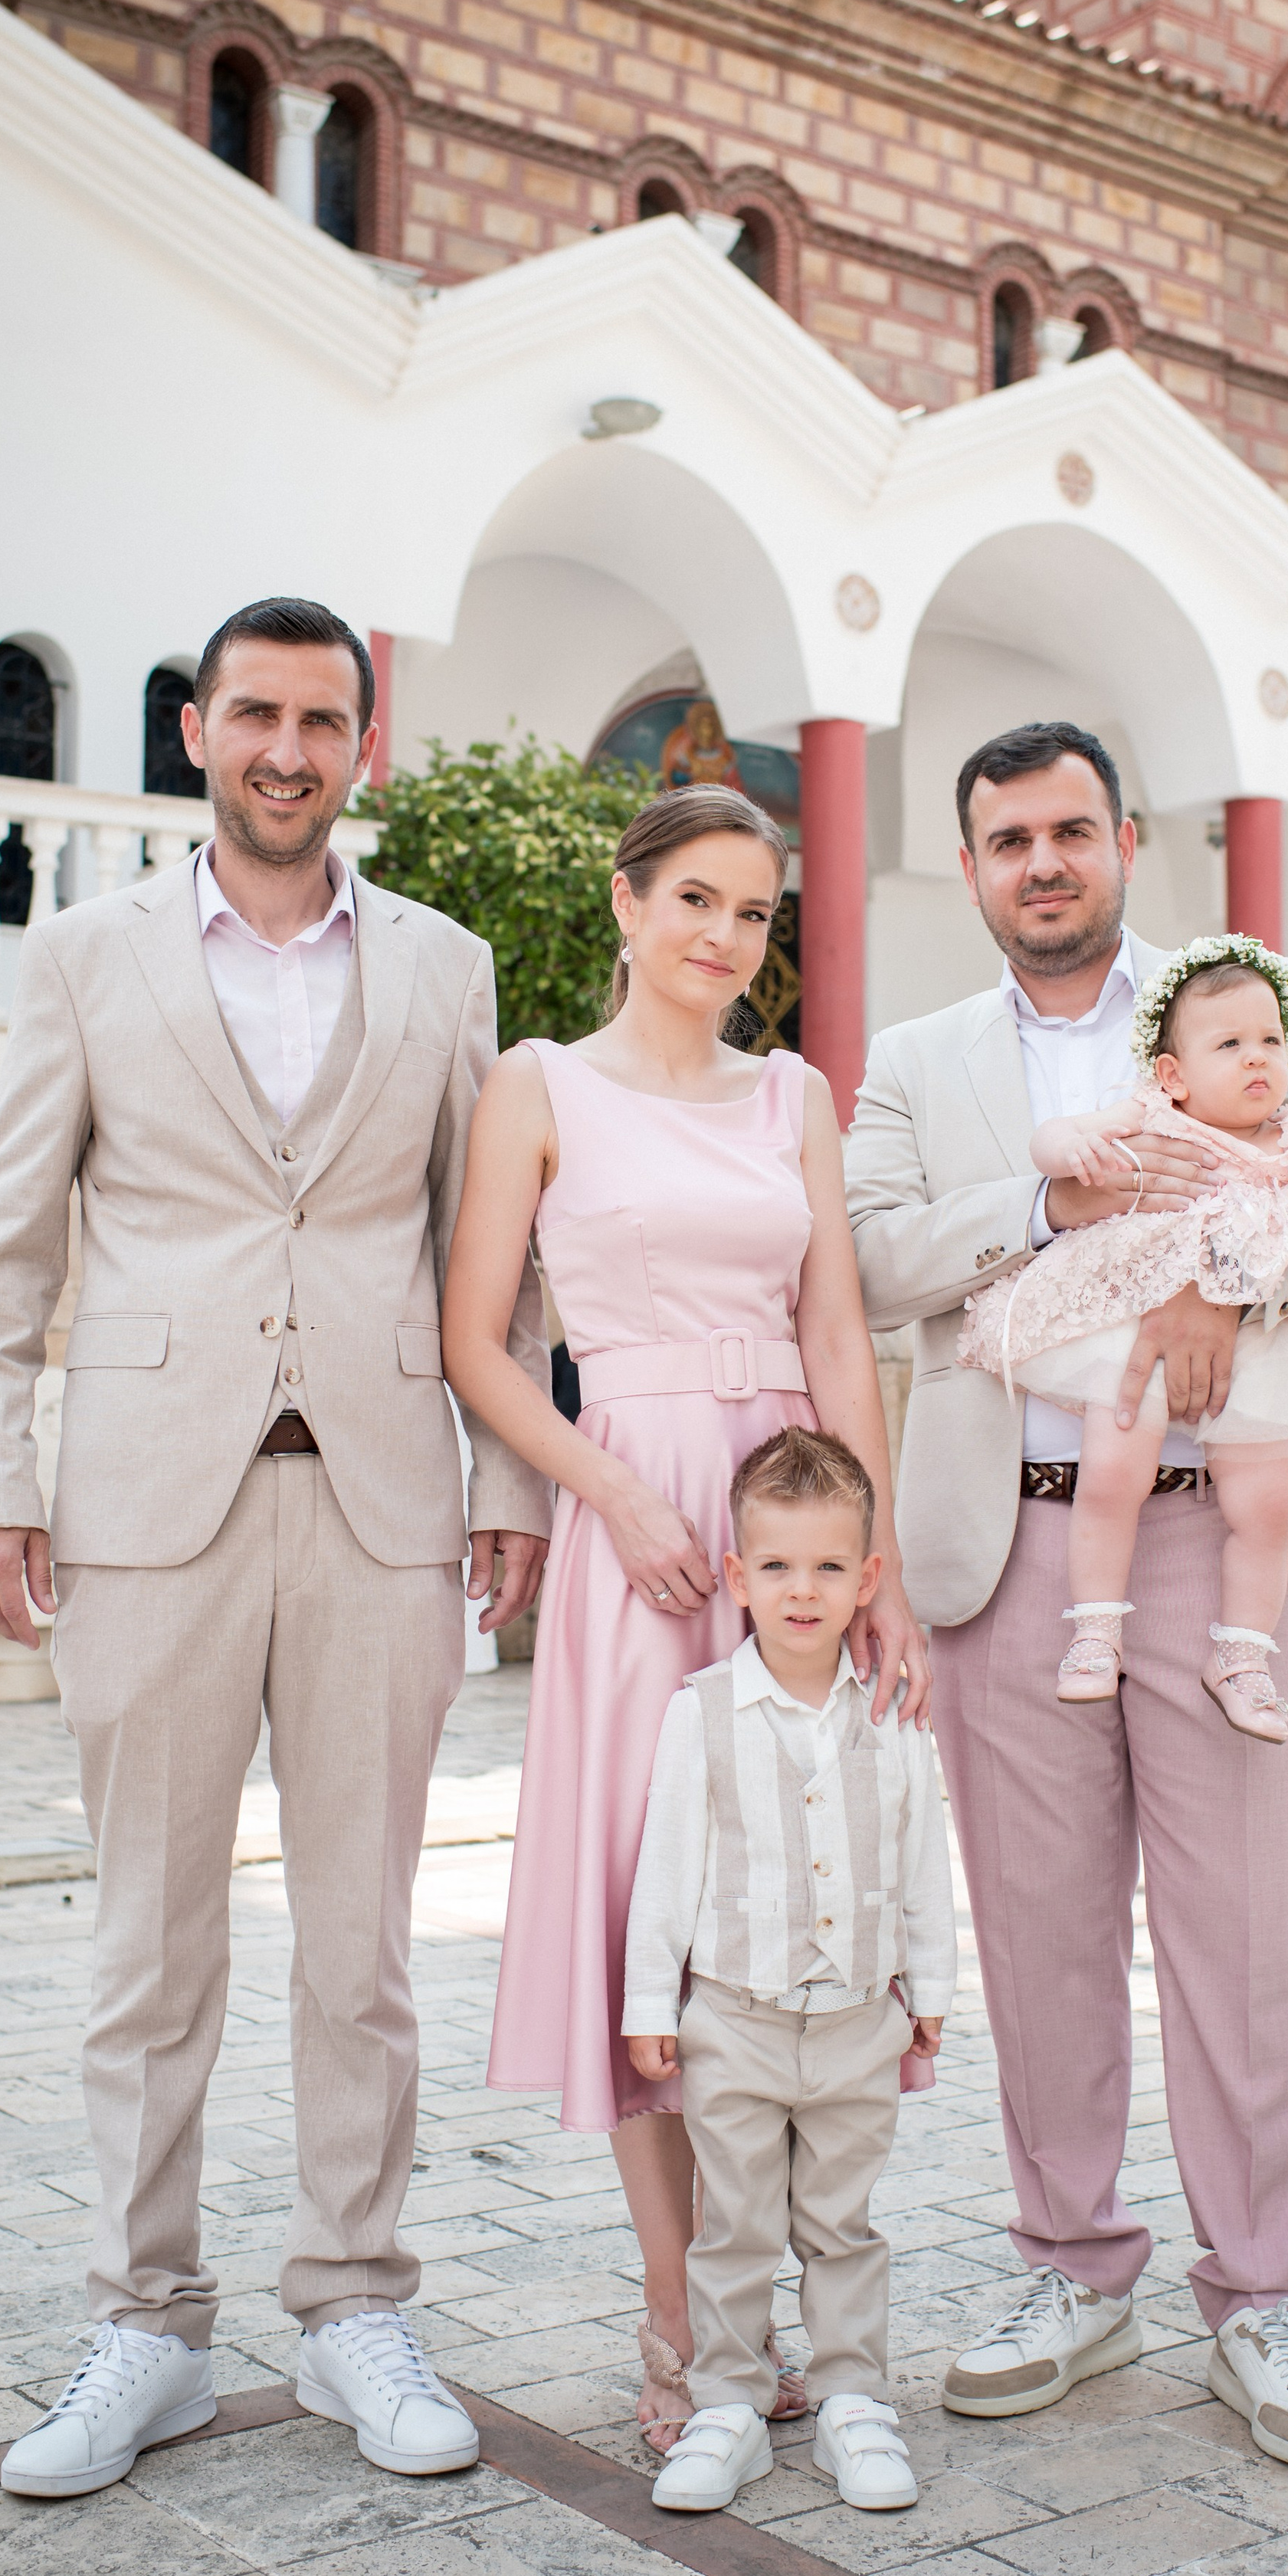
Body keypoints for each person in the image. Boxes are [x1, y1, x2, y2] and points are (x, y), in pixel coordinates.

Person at [0, 596, 552, 2499]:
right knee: (151, 1939)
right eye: (256, 714)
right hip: (142, 1496)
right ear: (199, 730)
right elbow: (7, 1239)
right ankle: (145, 2319)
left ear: (363, 745)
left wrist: (510, 1484)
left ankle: (356, 2295)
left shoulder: (444, 969)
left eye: (324, 719)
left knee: (363, 1943)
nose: (289, 748)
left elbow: (492, 1257)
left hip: (379, 1497)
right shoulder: (85, 954)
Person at [845, 720, 1288, 2476]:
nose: (1040, 859)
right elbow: (874, 1258)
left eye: (1068, 829)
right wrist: (1042, 1190)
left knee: (1238, 1933)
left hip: (1227, 1523)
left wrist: (1217, 1280)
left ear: (1124, 837)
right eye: (1004, 835)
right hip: (1011, 1538)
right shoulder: (916, 1057)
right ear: (968, 866)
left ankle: (1263, 2293)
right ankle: (1068, 2265)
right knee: (1034, 1931)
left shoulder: (1248, 995)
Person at [443, 785, 929, 2451]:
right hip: (639, 1509)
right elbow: (475, 1342)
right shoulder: (536, 1084)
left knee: (791, 1895)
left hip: (792, 1507)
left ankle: (812, 2290)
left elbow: (842, 1336)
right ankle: (681, 2315)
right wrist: (618, 1496)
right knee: (648, 1902)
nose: (724, 938)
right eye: (697, 901)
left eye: (754, 914)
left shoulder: (794, 1092)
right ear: (629, 901)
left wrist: (878, 1570)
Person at [621, 1427, 955, 2515]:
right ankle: (727, 2402)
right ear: (736, 1576)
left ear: (867, 1578)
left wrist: (932, 1991)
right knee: (737, 2224)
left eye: (825, 1568)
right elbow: (666, 1868)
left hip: (861, 2018)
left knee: (842, 2223)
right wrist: (645, 2003)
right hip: (735, 2019)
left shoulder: (893, 1721)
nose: (800, 1592)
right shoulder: (701, 1715)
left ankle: (856, 2398)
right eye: (775, 1566)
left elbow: (921, 1865)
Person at [959, 936, 1288, 1733]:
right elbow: (1051, 1139)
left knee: (1265, 1502)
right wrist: (1073, 1149)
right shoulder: (1151, 1116)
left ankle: (1241, 1653)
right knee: (1113, 1467)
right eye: (1229, 1044)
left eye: (1269, 1040)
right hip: (1134, 1329)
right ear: (1173, 1074)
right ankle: (1093, 1630)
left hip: (1262, 1349)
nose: (1256, 1058)